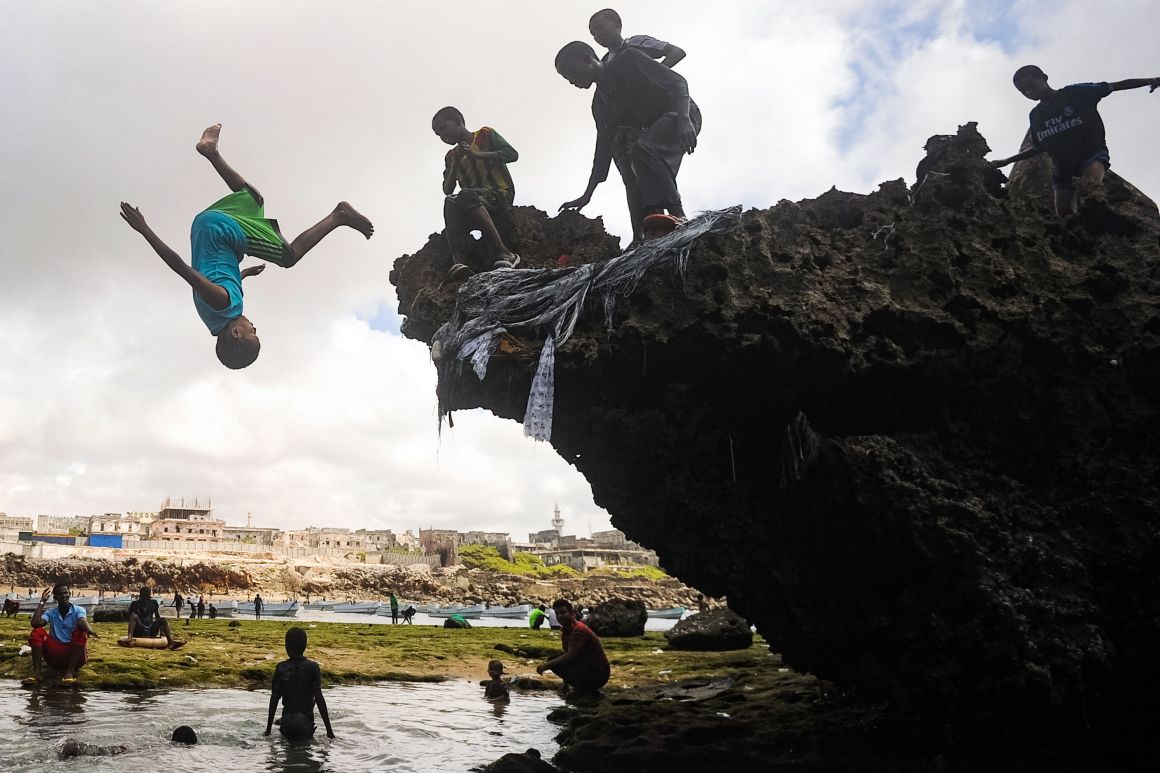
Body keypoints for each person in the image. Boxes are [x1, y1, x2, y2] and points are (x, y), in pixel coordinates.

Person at [119, 123, 374, 369]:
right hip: (205, 226)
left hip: (220, 232)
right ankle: (210, 151)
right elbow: (219, 278)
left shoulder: (222, 303)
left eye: (253, 332)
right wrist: (244, 274)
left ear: (237, 334)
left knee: (290, 256)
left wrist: (145, 230)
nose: (253, 326)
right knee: (254, 199)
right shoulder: (213, 319)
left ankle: (339, 215)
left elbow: (182, 269)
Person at [557, 40, 700, 245]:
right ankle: (648, 230)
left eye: (572, 71)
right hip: (654, 131)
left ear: (588, 60)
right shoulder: (600, 104)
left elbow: (678, 82)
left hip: (681, 114)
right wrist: (587, 194)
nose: (571, 80)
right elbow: (603, 149)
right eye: (566, 78)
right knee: (629, 167)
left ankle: (679, 216)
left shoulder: (629, 59)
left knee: (642, 150)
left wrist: (685, 121)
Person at [992, 67, 1160, 216]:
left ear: (1044, 77)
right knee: (1064, 214)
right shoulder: (1036, 116)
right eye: (1024, 91)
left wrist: (1150, 81)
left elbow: (1115, 86)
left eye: (1031, 86)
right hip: (1063, 169)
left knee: (1089, 191)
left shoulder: (1076, 93)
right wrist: (1008, 161)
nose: (1029, 93)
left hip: (1091, 155)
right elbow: (1038, 148)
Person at [432, 106, 521, 281]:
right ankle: (460, 262)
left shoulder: (485, 135)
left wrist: (477, 155)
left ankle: (505, 253)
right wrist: (455, 165)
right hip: (472, 202)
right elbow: (447, 189)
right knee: (450, 200)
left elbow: (512, 154)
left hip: (499, 193)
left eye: (444, 128)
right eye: (438, 134)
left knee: (465, 194)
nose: (443, 136)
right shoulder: (451, 156)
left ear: (458, 121)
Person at [265, 627, 335, 741]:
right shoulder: (312, 667)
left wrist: (268, 730)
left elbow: (274, 699)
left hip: (286, 721)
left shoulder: (281, 667)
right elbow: (319, 698)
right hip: (303, 721)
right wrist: (329, 731)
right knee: (305, 754)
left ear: (286, 646)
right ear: (305, 646)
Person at [26, 584, 99, 685]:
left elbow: (81, 621)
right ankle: (37, 673)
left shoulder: (79, 610)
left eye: (66, 593)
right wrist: (42, 602)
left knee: (81, 632)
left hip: (75, 657)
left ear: (69, 594)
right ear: (55, 597)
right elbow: (35, 624)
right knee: (37, 632)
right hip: (55, 655)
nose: (64, 596)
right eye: (60, 594)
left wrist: (89, 629)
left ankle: (70, 672)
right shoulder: (51, 612)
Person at [536, 599, 610, 694]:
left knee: (552, 661)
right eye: (557, 613)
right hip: (586, 667)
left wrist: (545, 666)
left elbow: (571, 655)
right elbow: (567, 657)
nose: (559, 616)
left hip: (598, 674)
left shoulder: (578, 629)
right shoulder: (566, 631)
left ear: (571, 613)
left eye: (563, 613)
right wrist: (565, 685)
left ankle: (584, 688)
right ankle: (575, 687)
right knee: (554, 658)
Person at [589, 9, 686, 68]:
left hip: (671, 99)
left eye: (601, 27)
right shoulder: (605, 62)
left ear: (617, 24)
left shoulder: (636, 43)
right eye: (593, 33)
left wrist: (655, 75)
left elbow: (677, 52)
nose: (597, 35)